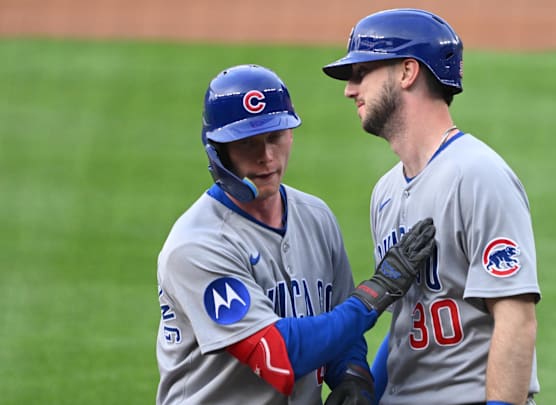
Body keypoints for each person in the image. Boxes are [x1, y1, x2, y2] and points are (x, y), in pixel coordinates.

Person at [155, 64, 436, 405]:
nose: (266, 157)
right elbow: (277, 354)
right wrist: (375, 294)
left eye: (274, 137)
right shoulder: (197, 245)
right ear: (219, 152)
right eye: (247, 143)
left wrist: (352, 374)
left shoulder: (315, 217)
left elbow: (340, 331)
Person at [322, 8, 541, 405]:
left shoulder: (477, 175)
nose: (350, 90)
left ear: (407, 72)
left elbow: (516, 318)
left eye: (361, 73)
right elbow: (406, 321)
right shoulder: (384, 192)